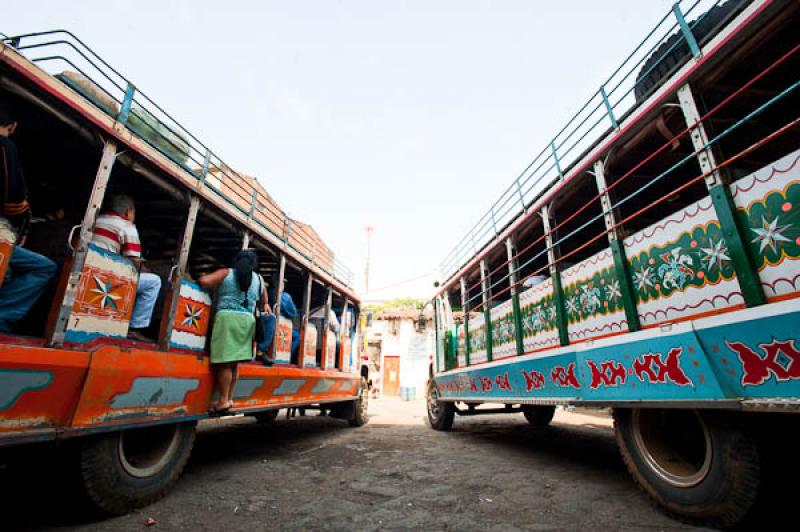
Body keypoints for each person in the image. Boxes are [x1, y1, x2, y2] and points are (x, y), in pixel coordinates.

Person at [0, 102, 58, 333]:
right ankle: (2, 317)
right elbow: (12, 199)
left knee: (11, 270)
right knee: (44, 268)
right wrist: (24, 218)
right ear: (13, 126)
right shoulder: (5, 146)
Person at [199, 250, 269, 414]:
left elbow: (205, 282)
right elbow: (264, 300)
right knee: (235, 362)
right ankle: (229, 398)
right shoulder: (259, 279)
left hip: (227, 319)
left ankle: (222, 400)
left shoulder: (226, 273)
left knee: (224, 361)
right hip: (247, 321)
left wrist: (201, 273)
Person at [90, 194, 161, 342]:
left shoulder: (96, 219)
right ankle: (136, 327)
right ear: (128, 212)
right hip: (108, 278)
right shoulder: (126, 226)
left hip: (90, 271)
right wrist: (147, 269)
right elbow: (134, 262)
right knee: (154, 281)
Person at [257, 290, 300, 363]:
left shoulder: (268, 292)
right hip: (280, 325)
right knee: (298, 337)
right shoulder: (285, 296)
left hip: (264, 325)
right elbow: (293, 312)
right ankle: (288, 358)